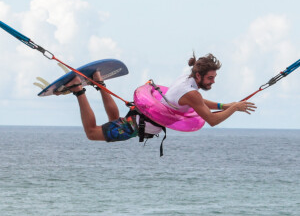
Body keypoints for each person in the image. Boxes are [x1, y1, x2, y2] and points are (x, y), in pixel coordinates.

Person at [62, 53, 256, 143]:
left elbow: (198, 103)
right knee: (91, 133)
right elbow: (212, 120)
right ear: (199, 76)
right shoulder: (192, 93)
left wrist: (225, 104)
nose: (213, 82)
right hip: (135, 126)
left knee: (114, 120)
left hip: (138, 119)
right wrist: (235, 108)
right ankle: (78, 90)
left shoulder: (186, 81)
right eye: (210, 78)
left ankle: (99, 82)